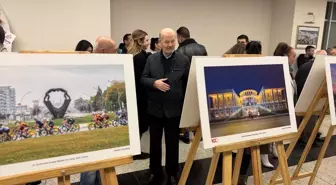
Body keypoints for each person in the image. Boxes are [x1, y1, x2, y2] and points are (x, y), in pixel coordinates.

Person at [141, 28, 190, 185]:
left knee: (172, 143)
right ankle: (155, 170)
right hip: (155, 109)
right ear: (160, 42)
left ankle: (172, 172)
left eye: (172, 41)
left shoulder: (184, 60)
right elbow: (143, 78)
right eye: (166, 42)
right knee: (155, 143)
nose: (169, 45)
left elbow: (188, 84)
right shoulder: (151, 59)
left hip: (174, 110)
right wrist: (154, 83)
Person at [80, 36, 117, 185]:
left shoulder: (107, 68)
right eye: (114, 51)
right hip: (91, 129)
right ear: (103, 51)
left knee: (104, 166)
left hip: (103, 126)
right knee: (90, 168)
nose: (117, 54)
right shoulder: (88, 70)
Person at [176, 26, 207, 144]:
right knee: (198, 108)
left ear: (180, 37)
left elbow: (179, 71)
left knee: (185, 110)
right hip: (199, 82)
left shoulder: (180, 51)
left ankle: (186, 133)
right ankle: (199, 133)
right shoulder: (202, 48)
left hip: (184, 85)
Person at [295, 50, 327, 145]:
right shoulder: (315, 67)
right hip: (311, 96)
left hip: (301, 94)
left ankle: (304, 136)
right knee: (310, 119)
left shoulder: (305, 65)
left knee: (303, 119)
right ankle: (307, 140)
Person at [128, 29, 151, 160]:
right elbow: (142, 78)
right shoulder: (140, 58)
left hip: (137, 95)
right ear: (140, 41)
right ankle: (135, 151)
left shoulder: (134, 55)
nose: (148, 42)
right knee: (141, 124)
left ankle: (135, 150)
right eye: (146, 40)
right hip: (141, 96)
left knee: (139, 124)